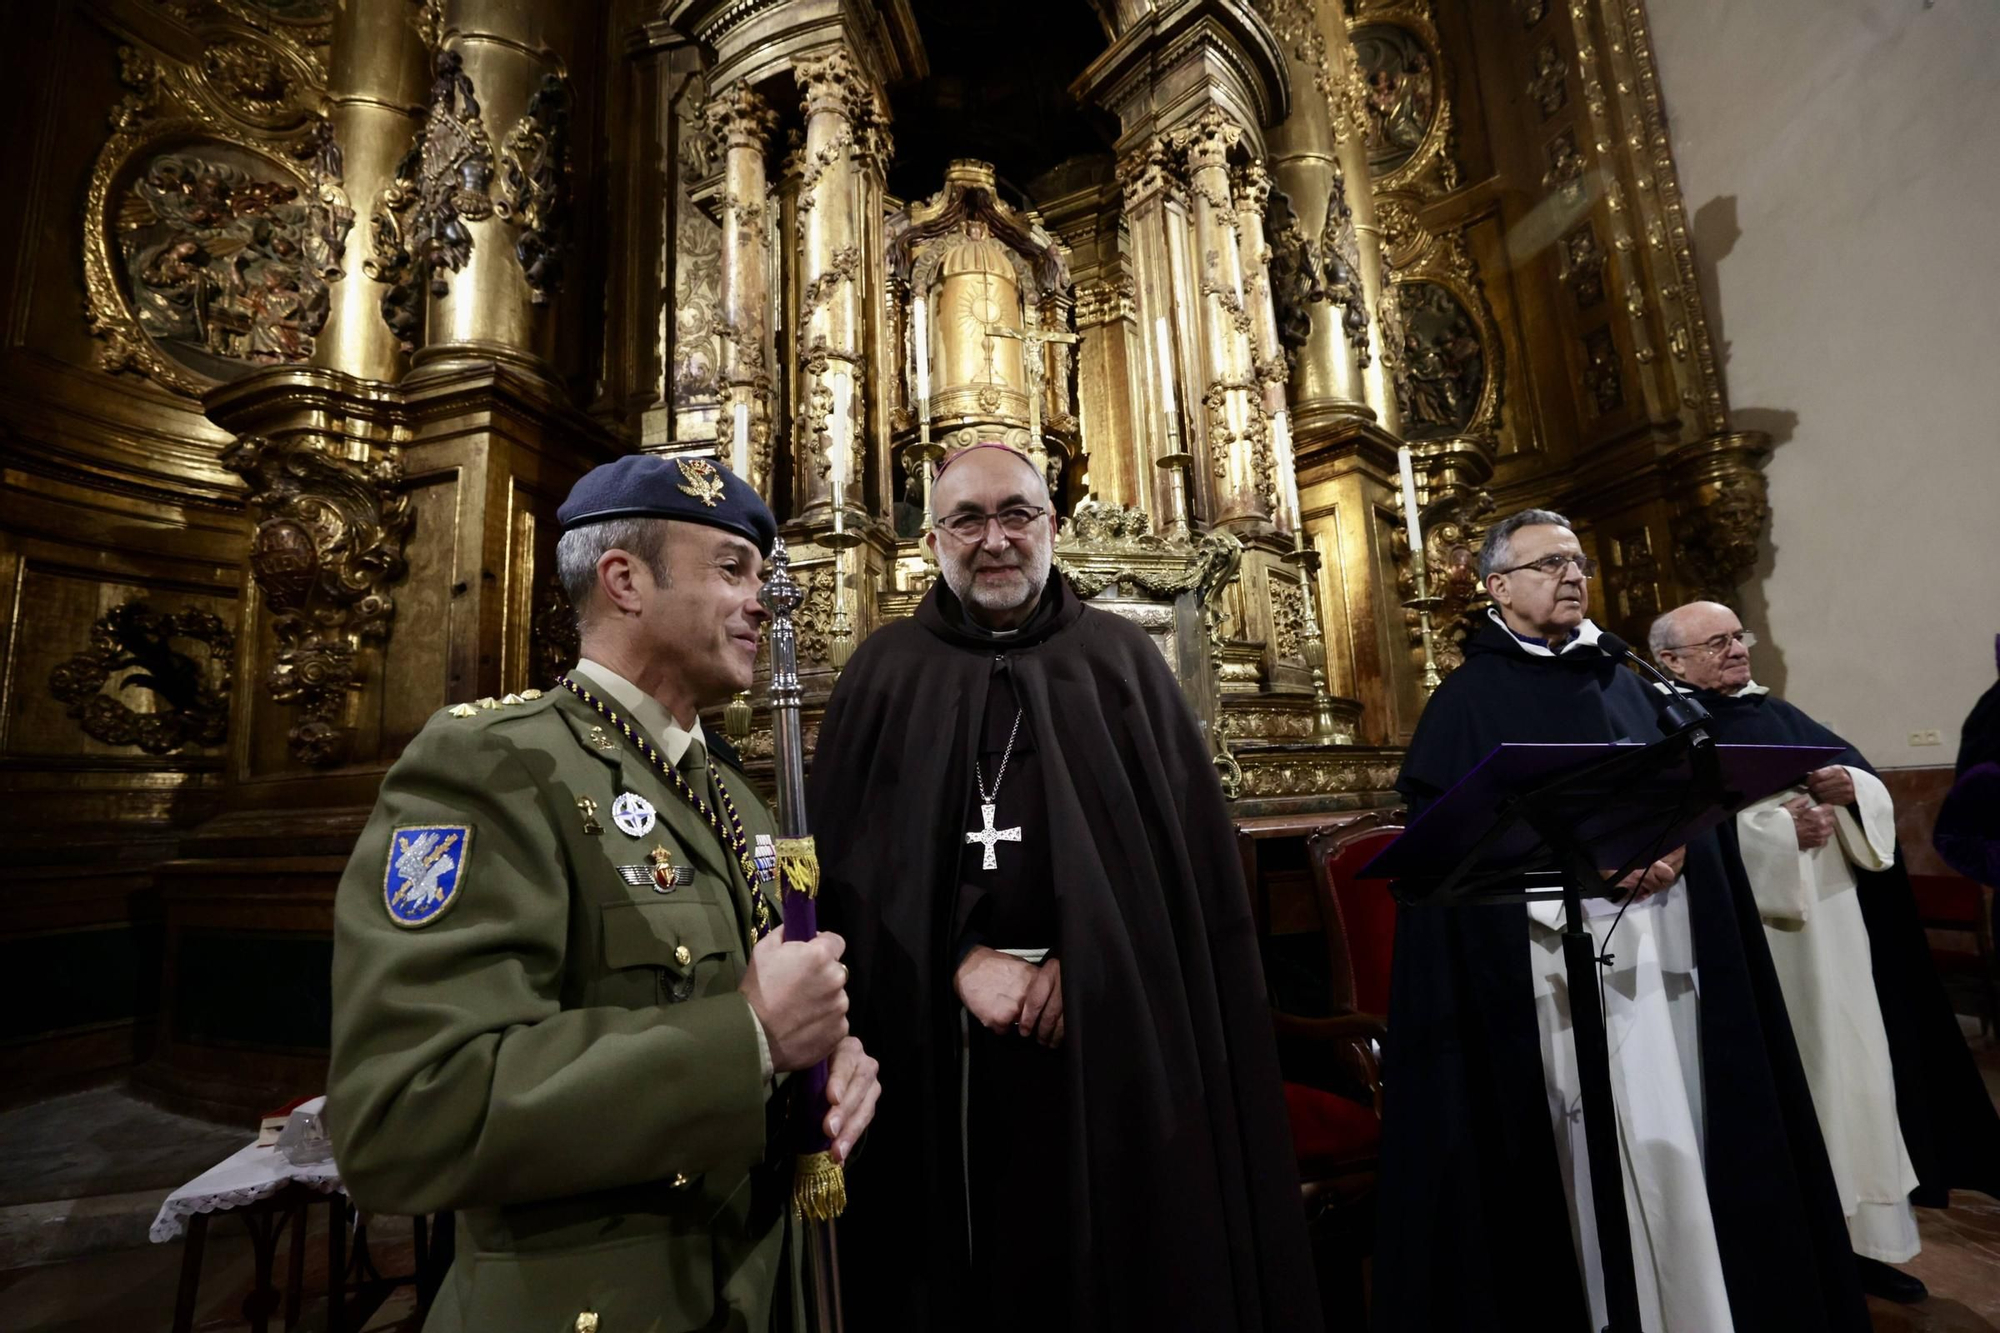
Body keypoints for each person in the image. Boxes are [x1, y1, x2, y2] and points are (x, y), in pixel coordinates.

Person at [326, 454, 880, 1333]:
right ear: (624, 580)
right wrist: (747, 1039)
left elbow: (781, 1006)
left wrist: (827, 1067)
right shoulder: (499, 765)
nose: (762, 600)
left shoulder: (735, 797)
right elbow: (407, 1114)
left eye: (763, 577)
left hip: (756, 1285)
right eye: (732, 569)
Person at [807, 443, 1320, 1330]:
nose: (994, 539)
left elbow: (1183, 886)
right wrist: (956, 957)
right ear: (933, 539)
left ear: (1052, 527)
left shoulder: (1120, 664)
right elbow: (848, 872)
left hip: (1106, 1040)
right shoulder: (883, 674)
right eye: (967, 519)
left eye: (1017, 514)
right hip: (936, 1049)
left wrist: (1084, 962)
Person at [1375, 509, 1867, 1333]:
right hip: (1549, 972)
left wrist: (1678, 846)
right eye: (1547, 564)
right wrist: (1587, 863)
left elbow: (1690, 784)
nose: (1573, 575)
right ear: (1497, 587)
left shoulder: (1627, 677)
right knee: (1582, 1152)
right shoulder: (1466, 701)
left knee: (1681, 1123)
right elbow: (1452, 851)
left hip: (1660, 941)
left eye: (1579, 562)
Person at [1654, 601, 2000, 1300]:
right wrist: (1775, 831)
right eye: (1714, 642)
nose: (1736, 650)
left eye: (1737, 636)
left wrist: (1854, 791)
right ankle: (1799, 1249)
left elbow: (1858, 780)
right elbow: (1684, 828)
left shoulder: (1777, 712)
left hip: (1837, 934)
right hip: (1766, 946)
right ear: (1671, 661)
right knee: (1800, 1084)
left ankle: (1864, 1243)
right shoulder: (1671, 724)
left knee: (1855, 1082)